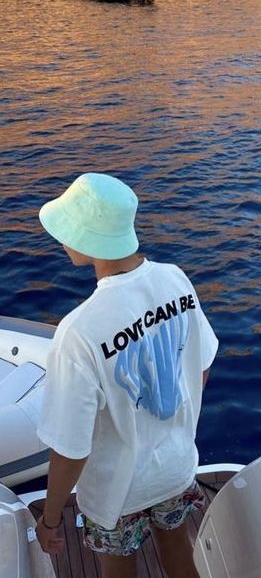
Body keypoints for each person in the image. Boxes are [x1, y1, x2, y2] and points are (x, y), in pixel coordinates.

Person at [35, 172, 218, 578]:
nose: (62, 240)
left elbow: (71, 447)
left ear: (87, 239)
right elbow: (201, 366)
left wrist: (50, 518)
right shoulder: (176, 279)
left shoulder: (79, 331)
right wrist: (170, 429)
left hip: (115, 493)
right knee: (179, 555)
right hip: (175, 469)